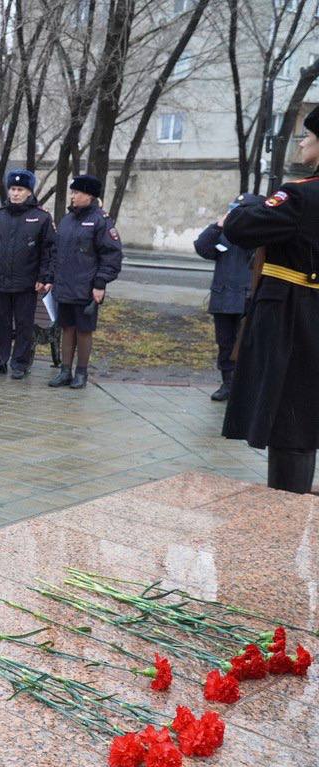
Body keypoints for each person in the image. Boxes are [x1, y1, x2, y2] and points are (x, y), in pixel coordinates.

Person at [221, 107, 319, 494]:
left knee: (288, 419)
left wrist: (246, 205)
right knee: (307, 412)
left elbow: (239, 226)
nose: (302, 141)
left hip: (293, 315)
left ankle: (284, 511)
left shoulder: (301, 195)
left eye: (308, 136)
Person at [0, 169, 55, 379]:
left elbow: (48, 251)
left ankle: (20, 363)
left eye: (20, 189)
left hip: (26, 283)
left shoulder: (41, 218)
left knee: (23, 325)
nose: (16, 193)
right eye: (13, 189)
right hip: (0, 280)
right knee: (0, 322)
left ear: (29, 192)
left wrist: (43, 277)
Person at [47, 174, 122, 389]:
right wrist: (51, 279)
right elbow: (56, 251)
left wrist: (100, 284)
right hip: (65, 285)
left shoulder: (101, 221)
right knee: (66, 328)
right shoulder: (68, 220)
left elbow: (111, 255)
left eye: (77, 192)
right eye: (72, 192)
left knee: (83, 330)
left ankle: (81, 372)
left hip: (86, 287)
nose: (73, 196)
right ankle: (65, 371)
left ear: (89, 195)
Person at [193, 195, 259, 401]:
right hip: (223, 299)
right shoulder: (224, 234)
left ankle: (246, 386)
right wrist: (219, 225)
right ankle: (228, 383)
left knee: (247, 345)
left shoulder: (258, 235)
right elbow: (202, 247)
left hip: (247, 299)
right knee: (225, 343)